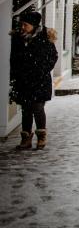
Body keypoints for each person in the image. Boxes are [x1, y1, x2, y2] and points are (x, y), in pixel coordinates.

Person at [9, 11, 58, 150]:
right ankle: (26, 138)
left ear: (34, 25)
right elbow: (14, 58)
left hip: (39, 80)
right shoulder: (18, 38)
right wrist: (16, 73)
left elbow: (53, 57)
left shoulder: (44, 37)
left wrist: (42, 70)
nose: (23, 27)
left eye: (26, 24)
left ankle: (41, 136)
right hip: (23, 79)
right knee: (25, 109)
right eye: (22, 24)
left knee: (37, 107)